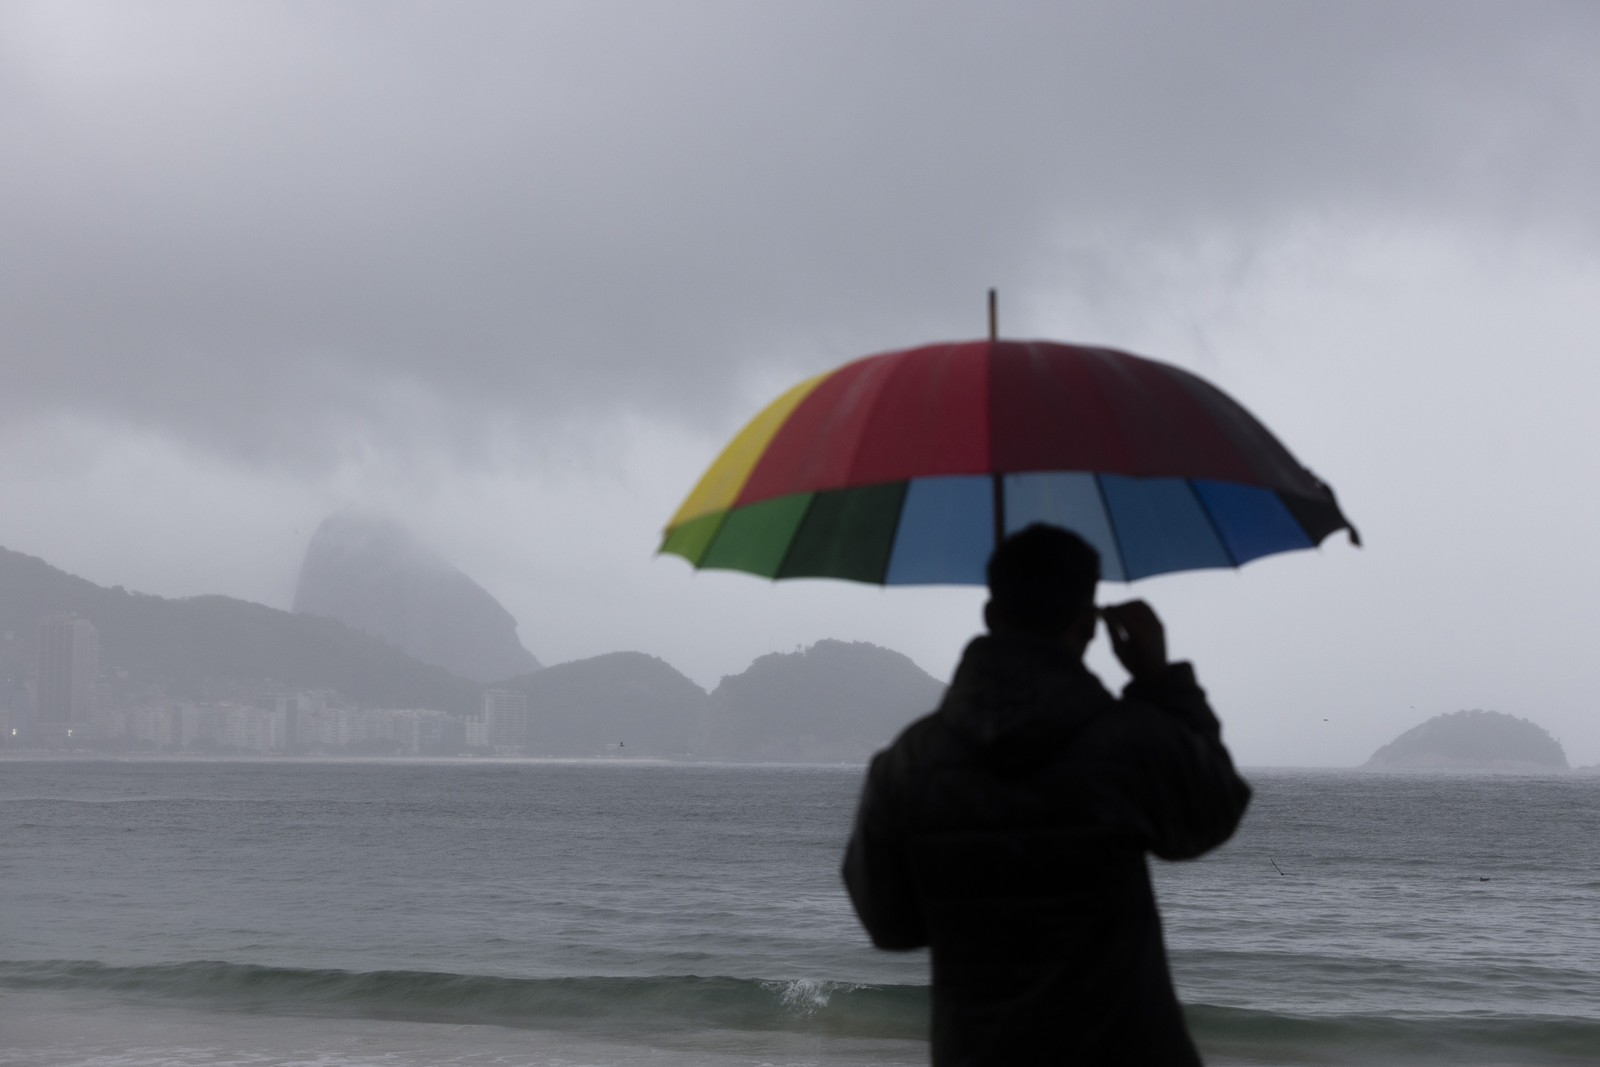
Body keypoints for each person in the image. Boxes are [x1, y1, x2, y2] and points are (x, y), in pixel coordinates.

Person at [842, 523, 1252, 1065]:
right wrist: (1160, 679)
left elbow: (890, 925)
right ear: (1088, 623)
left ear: (991, 617)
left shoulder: (908, 762)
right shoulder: (1127, 739)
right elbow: (1213, 812)